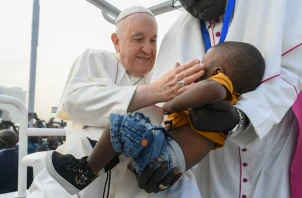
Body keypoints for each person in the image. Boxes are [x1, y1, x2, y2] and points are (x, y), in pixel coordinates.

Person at [131, 0, 302, 197]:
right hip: (213, 169)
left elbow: (289, 75)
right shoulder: (175, 35)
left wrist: (242, 117)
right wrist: (158, 161)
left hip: (269, 155)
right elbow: (163, 112)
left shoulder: (272, 6)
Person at [28, 6, 205, 198]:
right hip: (70, 190)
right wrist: (152, 92)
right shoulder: (97, 59)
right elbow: (76, 103)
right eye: (138, 39)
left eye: (153, 40)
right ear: (116, 42)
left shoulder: (164, 76)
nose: (148, 49)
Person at [45, 41, 265, 195]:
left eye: (204, 65)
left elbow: (212, 90)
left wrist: (174, 102)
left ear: (218, 71)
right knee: (138, 125)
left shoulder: (219, 88)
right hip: (168, 157)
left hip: (165, 157)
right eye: (138, 38)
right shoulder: (222, 100)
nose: (199, 68)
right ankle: (109, 156)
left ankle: (82, 172)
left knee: (119, 124)